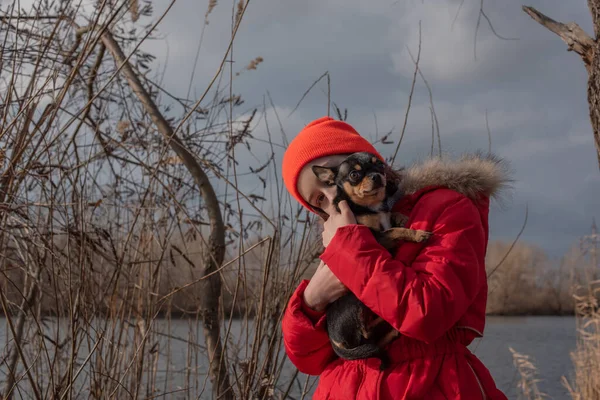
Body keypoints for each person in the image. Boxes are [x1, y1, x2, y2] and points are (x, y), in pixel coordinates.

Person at [280, 116, 509, 399]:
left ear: (368, 161)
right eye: (318, 200)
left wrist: (351, 249)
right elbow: (307, 359)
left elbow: (428, 314)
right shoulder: (339, 246)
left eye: (334, 174)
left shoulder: (445, 208)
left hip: (432, 383)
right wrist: (313, 299)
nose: (332, 195)